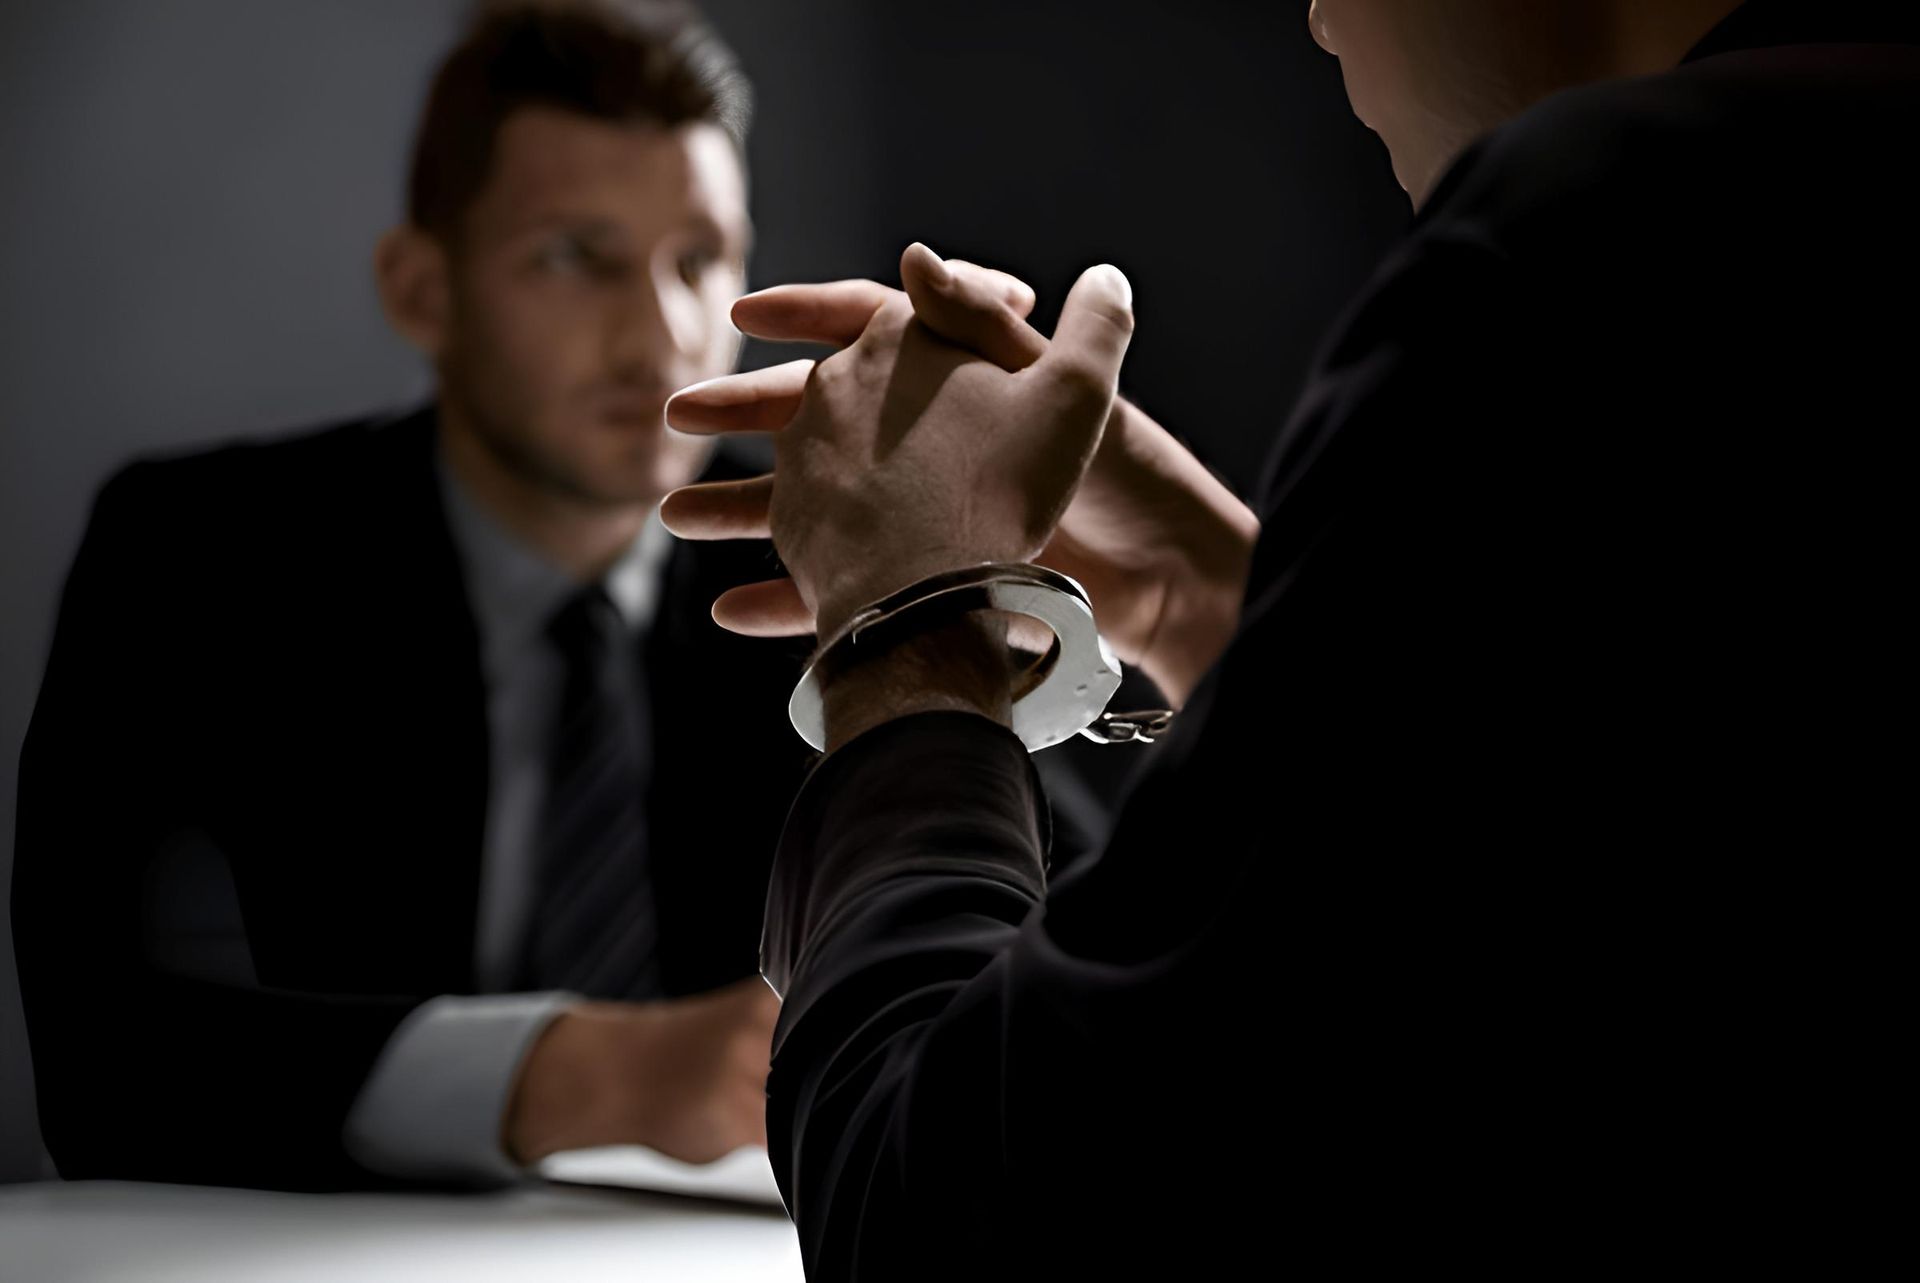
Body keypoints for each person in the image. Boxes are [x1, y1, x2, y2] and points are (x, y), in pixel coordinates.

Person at [661, 0, 1916, 1273]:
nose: (1316, 18)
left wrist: (908, 623)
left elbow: (941, 1220)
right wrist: (1212, 600)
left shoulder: (1589, 232)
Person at [13, 0, 801, 1192]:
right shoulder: (198, 559)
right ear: (421, 290)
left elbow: (1084, 947)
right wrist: (595, 1074)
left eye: (702, 259)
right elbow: (109, 1052)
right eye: (574, 256)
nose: (664, 336)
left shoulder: (830, 566)